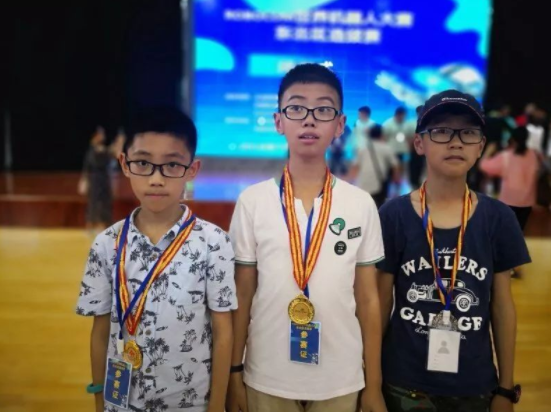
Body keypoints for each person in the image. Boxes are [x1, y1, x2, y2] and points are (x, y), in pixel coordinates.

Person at [227, 63, 387, 412]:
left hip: (341, 378)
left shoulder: (360, 203)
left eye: (323, 110)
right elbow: (242, 293)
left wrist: (373, 384)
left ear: (340, 125)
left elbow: (368, 300)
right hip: (266, 375)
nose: (310, 120)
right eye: (297, 108)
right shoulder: (252, 202)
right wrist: (234, 372)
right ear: (278, 121)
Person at [377, 90, 530, 412]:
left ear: (481, 146)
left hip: (474, 384)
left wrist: (506, 388)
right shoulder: (393, 215)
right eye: (441, 131)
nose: (456, 142)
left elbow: (502, 305)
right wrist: (371, 379)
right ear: (419, 143)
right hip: (402, 382)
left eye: (468, 133)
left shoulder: (498, 217)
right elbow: (379, 304)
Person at [76, 107, 236, 412]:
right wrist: (99, 399)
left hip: (191, 404)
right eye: (143, 163)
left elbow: (222, 331)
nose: (157, 178)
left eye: (172, 165)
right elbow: (100, 331)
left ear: (192, 169)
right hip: (121, 404)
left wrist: (217, 405)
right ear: (124, 164)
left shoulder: (214, 242)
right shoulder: (106, 244)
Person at [479, 126, 539, 231]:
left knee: (507, 231)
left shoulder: (506, 156)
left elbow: (483, 166)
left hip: (509, 201)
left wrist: (488, 151)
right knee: (520, 229)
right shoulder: (533, 155)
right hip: (527, 201)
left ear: (513, 139)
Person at [349, 124, 400, 208]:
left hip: (363, 185)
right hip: (378, 186)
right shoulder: (386, 148)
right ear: (381, 135)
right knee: (378, 208)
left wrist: (351, 183)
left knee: (364, 208)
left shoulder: (362, 148)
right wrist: (396, 181)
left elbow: (355, 167)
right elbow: (395, 165)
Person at [79, 127, 113, 232]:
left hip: (104, 179)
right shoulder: (92, 150)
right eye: (100, 134)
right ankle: (91, 225)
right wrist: (84, 180)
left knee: (105, 202)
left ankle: (103, 225)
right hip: (94, 180)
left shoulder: (103, 149)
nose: (103, 136)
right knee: (94, 202)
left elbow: (109, 160)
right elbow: (89, 165)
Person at [408, 106, 426, 189]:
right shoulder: (412, 124)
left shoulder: (427, 123)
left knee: (423, 166)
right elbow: (408, 137)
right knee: (414, 166)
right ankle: (414, 182)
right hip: (414, 149)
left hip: (425, 148)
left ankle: (422, 182)